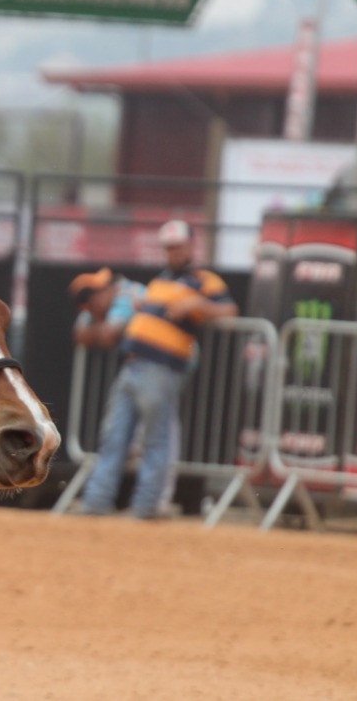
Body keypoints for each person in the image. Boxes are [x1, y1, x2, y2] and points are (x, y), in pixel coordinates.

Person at [78, 219, 237, 520]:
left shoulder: (204, 280)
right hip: (134, 364)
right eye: (169, 248)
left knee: (154, 439)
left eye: (178, 246)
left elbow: (229, 311)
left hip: (161, 367)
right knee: (114, 436)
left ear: (192, 246)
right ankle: (96, 502)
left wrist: (197, 304)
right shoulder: (161, 280)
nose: (173, 252)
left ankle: (145, 506)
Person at [68, 267, 144, 350]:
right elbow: (79, 335)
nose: (93, 303)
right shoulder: (93, 307)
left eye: (100, 291)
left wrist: (94, 330)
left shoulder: (126, 294)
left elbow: (110, 335)